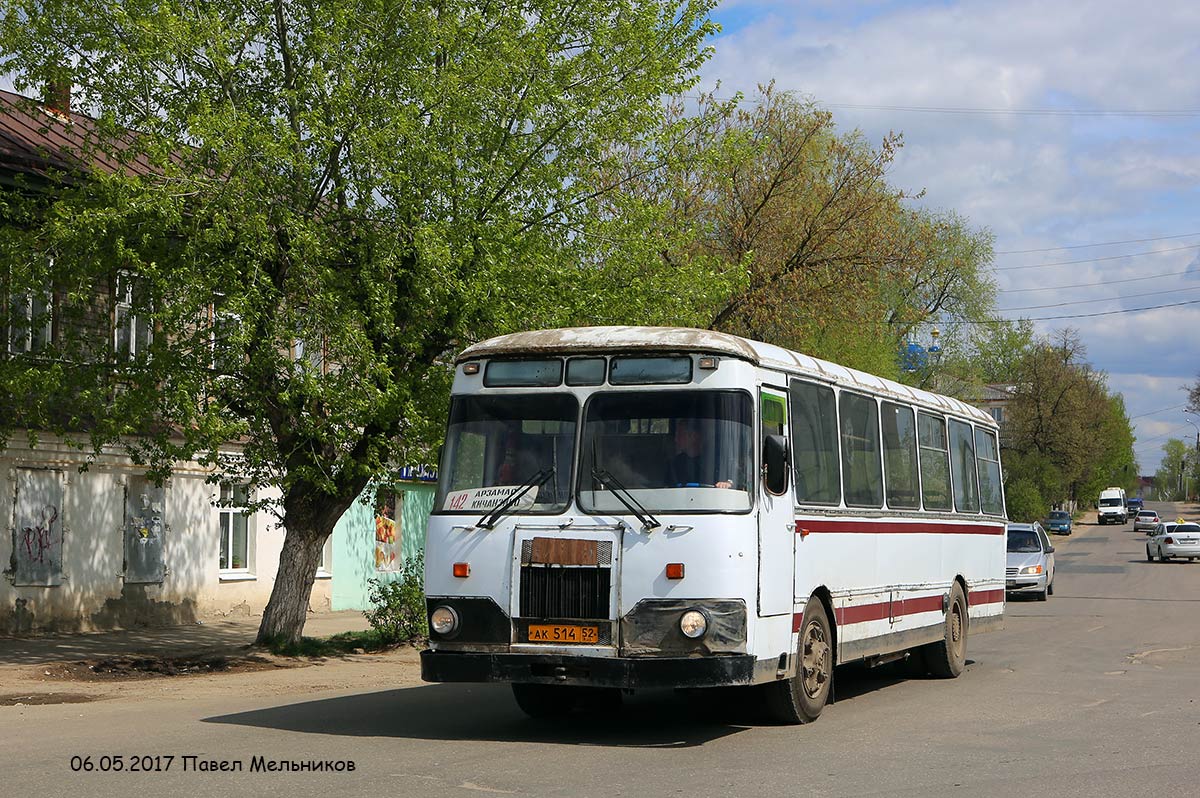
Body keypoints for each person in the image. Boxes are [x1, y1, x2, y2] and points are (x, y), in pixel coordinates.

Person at [668, 418, 732, 488]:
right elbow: (666, 489)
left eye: (680, 434)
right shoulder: (674, 464)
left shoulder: (715, 462)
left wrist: (727, 483)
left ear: (693, 436)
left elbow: (736, 478)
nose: (676, 439)